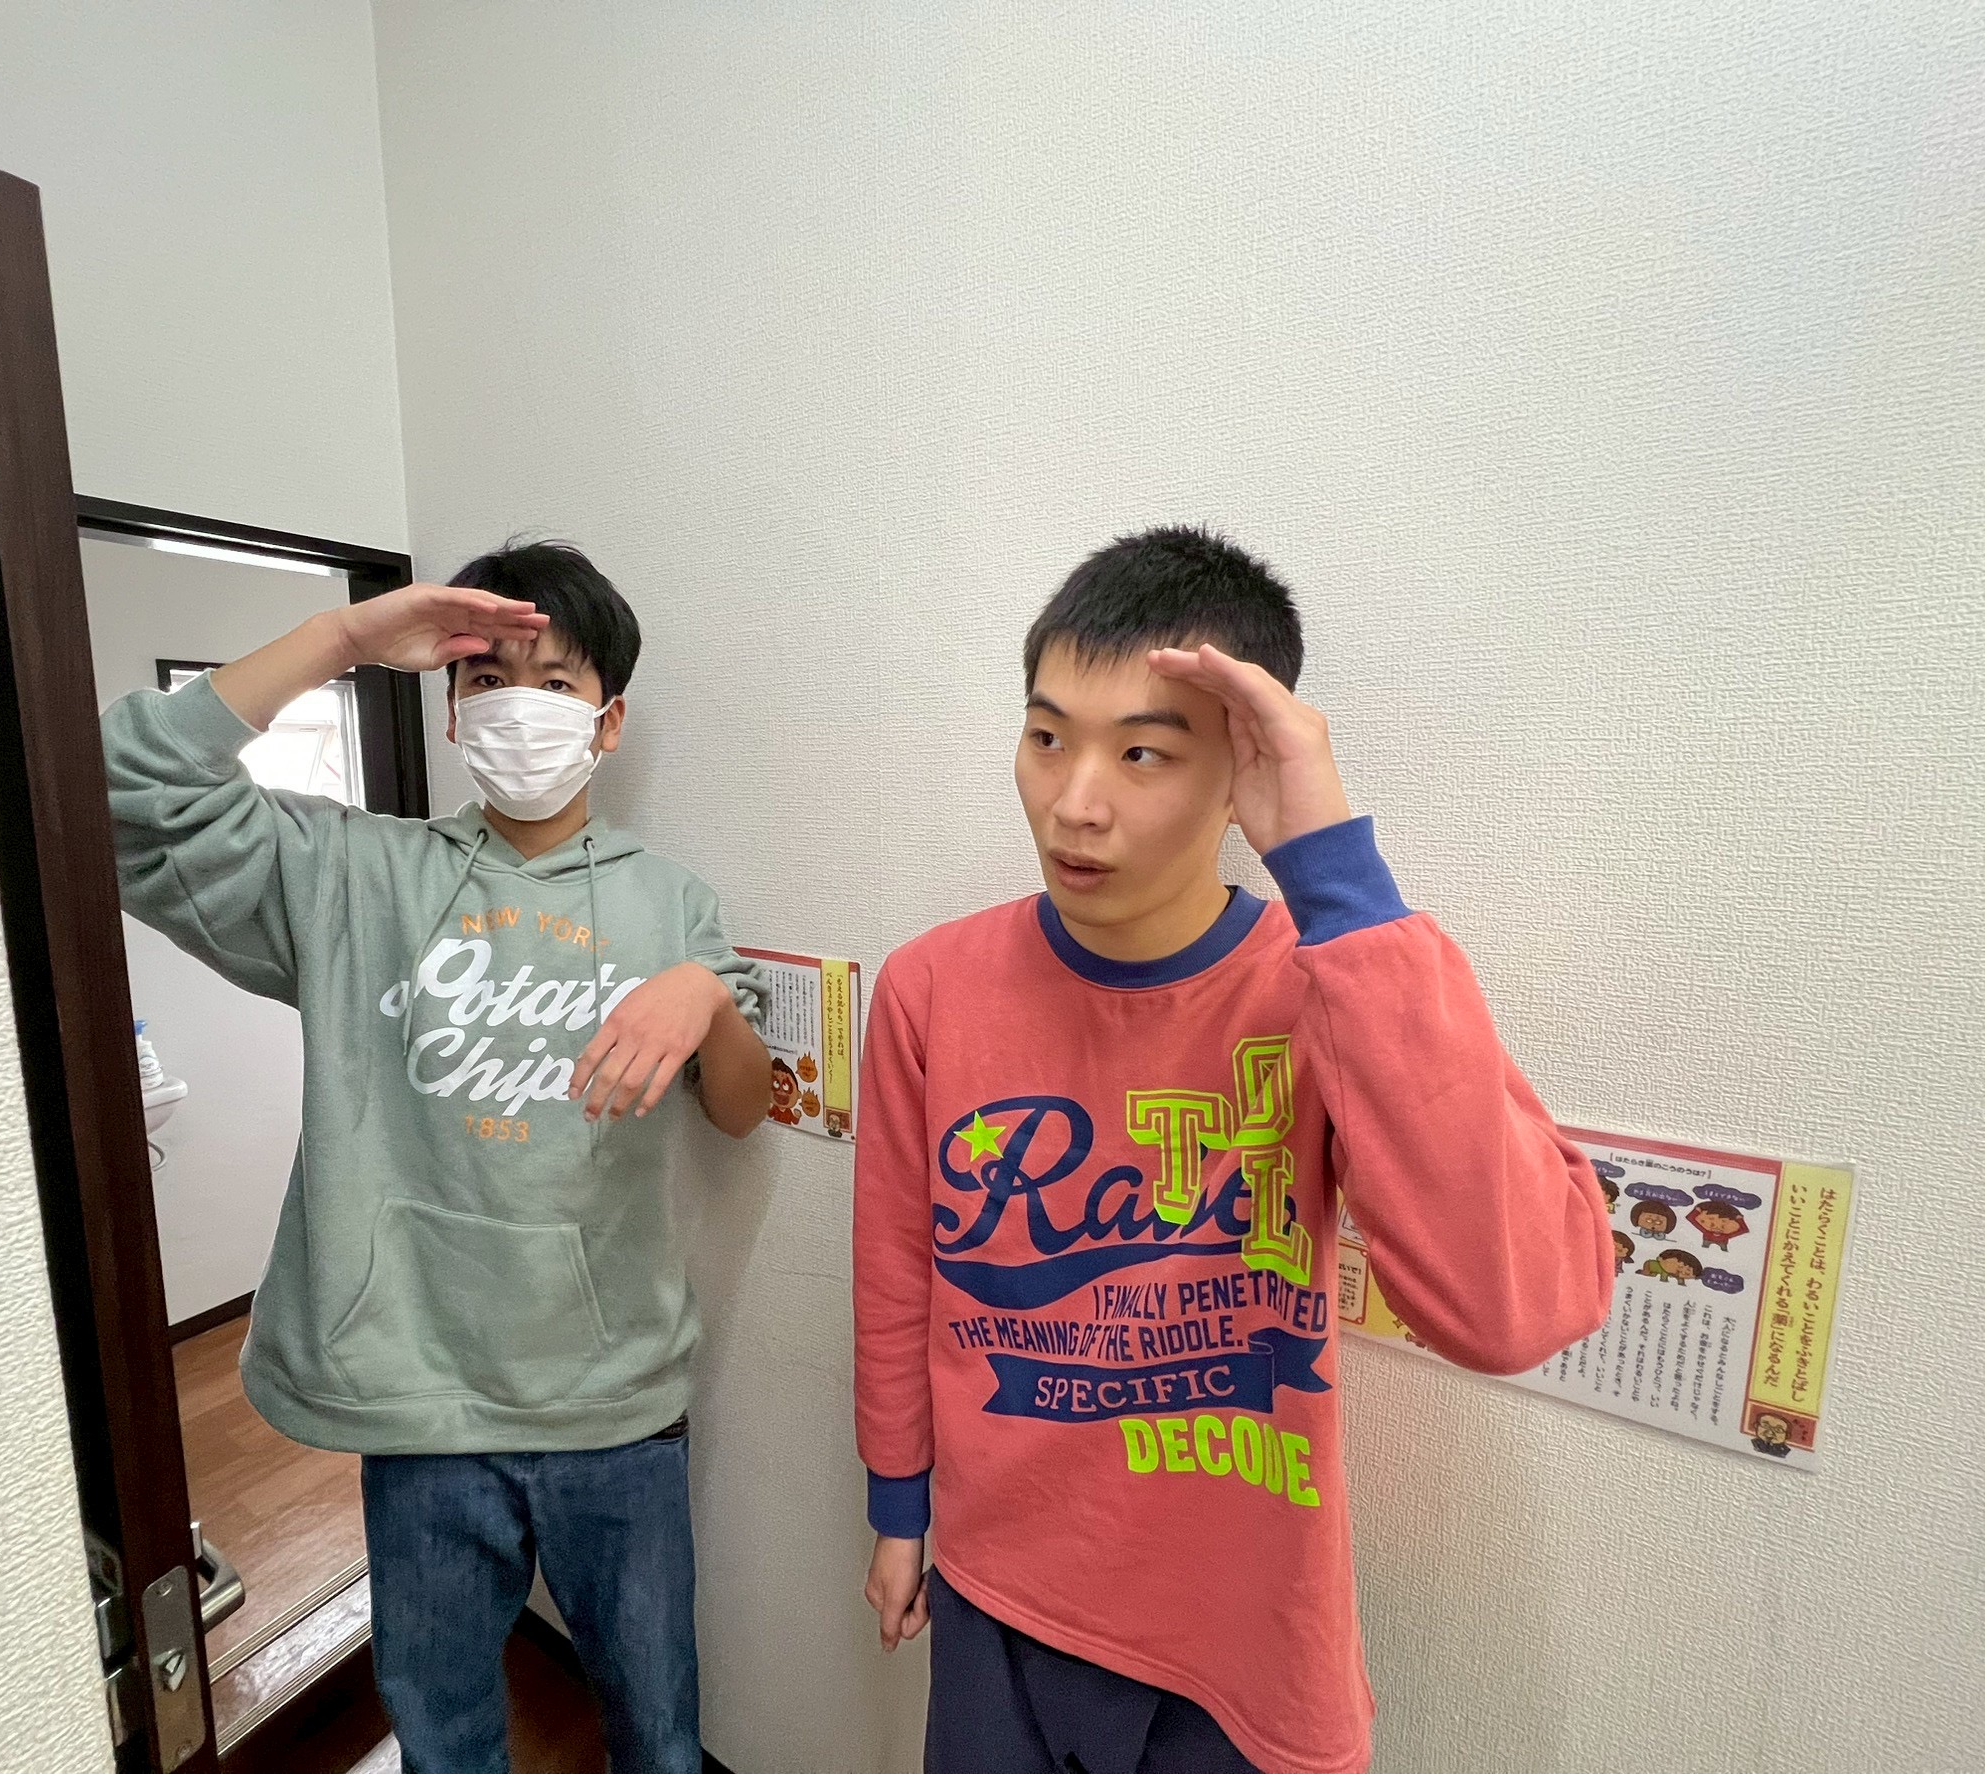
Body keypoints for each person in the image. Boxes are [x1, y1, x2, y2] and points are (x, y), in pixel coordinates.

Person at [850, 526, 1612, 1774]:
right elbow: (899, 1276)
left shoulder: (1324, 983)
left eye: (1142, 752)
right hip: (997, 1594)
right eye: (1047, 737)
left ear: (1241, 767)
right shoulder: (933, 987)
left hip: (1238, 1647)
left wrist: (1335, 872)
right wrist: (898, 1505)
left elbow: (1515, 1303)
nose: (1074, 800)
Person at [103, 541, 771, 1774]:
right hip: (418, 1399)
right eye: (489, 680)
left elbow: (738, 1110)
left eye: (557, 683)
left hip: (615, 1402)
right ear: (451, 710)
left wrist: (706, 993)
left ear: (609, 721)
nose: (521, 707)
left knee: (660, 1734)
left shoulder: (672, 902)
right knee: (445, 1739)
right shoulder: (353, 874)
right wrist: (344, 639)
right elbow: (122, 784)